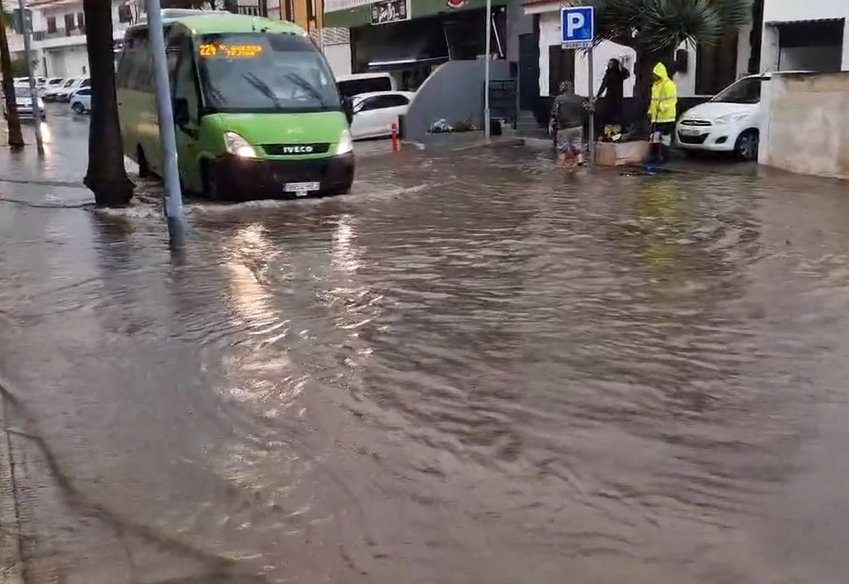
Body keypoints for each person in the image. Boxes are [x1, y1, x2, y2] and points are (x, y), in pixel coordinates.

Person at [549, 81, 589, 167]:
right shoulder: (580, 99)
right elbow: (589, 109)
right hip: (578, 127)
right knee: (577, 148)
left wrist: (551, 125)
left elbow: (554, 113)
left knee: (562, 150)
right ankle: (580, 163)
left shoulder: (559, 99)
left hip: (564, 127)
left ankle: (560, 168)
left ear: (562, 89)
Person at [647, 62, 677, 164]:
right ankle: (654, 157)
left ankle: (664, 158)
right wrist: (650, 111)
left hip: (667, 117)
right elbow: (653, 101)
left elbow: (672, 101)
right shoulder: (655, 86)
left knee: (665, 139)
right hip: (656, 118)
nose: (653, 76)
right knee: (653, 138)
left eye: (655, 74)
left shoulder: (668, 85)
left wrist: (661, 108)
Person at [597, 58, 630, 139]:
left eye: (612, 63)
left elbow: (627, 75)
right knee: (607, 114)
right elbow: (603, 85)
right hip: (609, 96)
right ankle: (607, 132)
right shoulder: (607, 74)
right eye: (609, 64)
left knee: (618, 114)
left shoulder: (619, 74)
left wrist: (622, 66)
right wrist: (598, 96)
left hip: (618, 97)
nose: (610, 65)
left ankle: (619, 131)